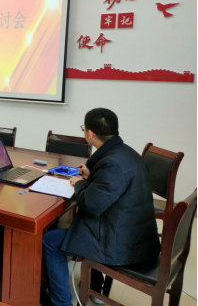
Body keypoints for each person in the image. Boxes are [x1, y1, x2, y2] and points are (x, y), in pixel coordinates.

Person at [42, 108, 160, 306]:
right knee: (71, 229)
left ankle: (61, 303)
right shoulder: (126, 153)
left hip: (123, 245)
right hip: (136, 234)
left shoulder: (111, 165)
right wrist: (93, 177)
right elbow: (112, 188)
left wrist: (80, 183)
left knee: (49, 241)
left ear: (90, 133)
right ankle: (95, 287)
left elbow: (91, 205)